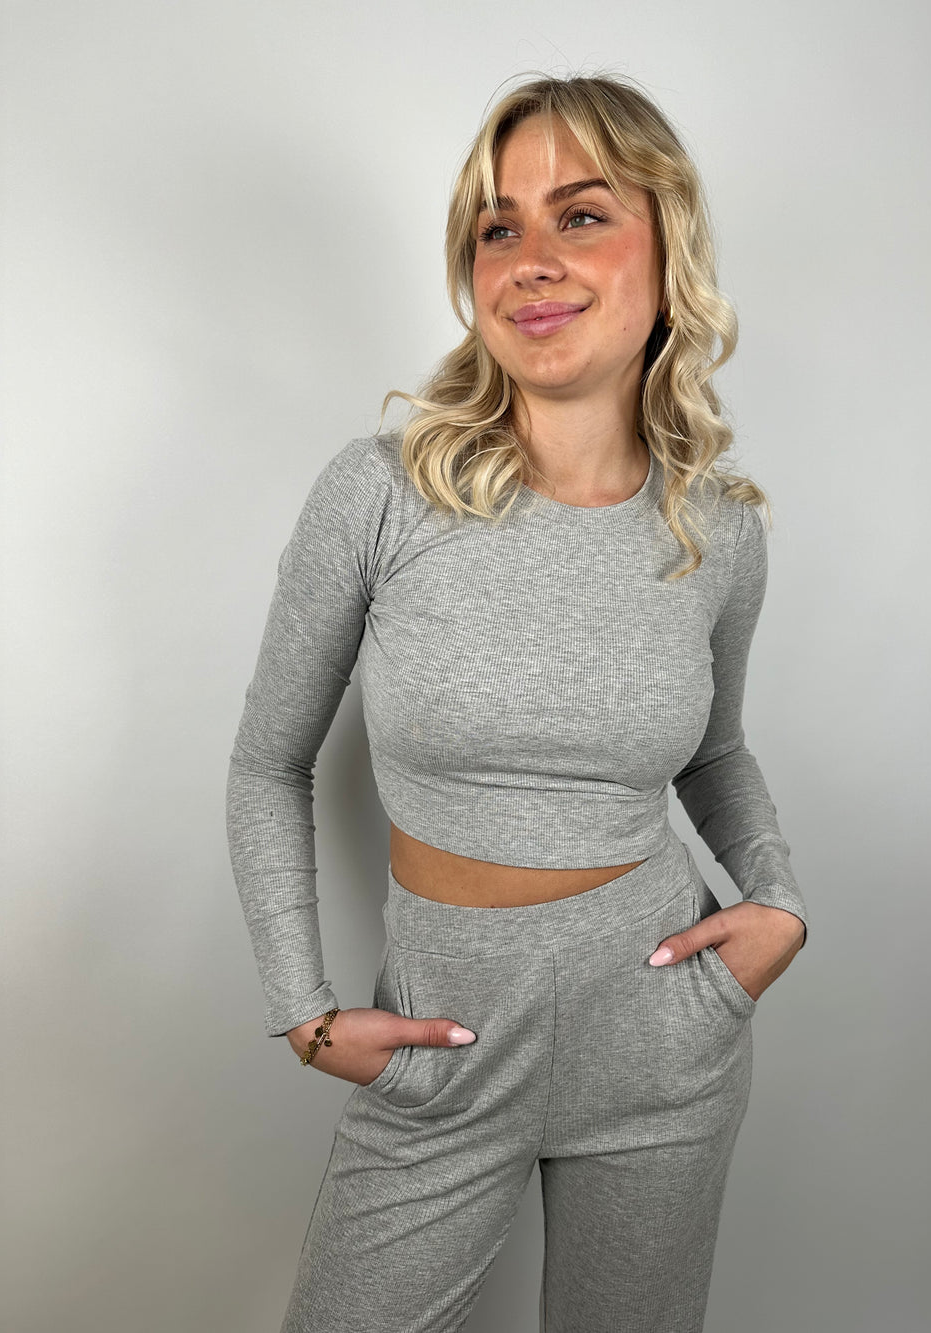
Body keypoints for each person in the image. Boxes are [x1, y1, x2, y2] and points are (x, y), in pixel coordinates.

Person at [226, 71, 809, 1333]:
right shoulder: (382, 492)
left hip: (660, 1036)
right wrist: (304, 1012)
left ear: (668, 251)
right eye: (499, 229)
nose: (532, 260)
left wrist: (776, 905)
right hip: (442, 1043)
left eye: (581, 216)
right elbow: (268, 762)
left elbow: (715, 752)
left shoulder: (716, 528)